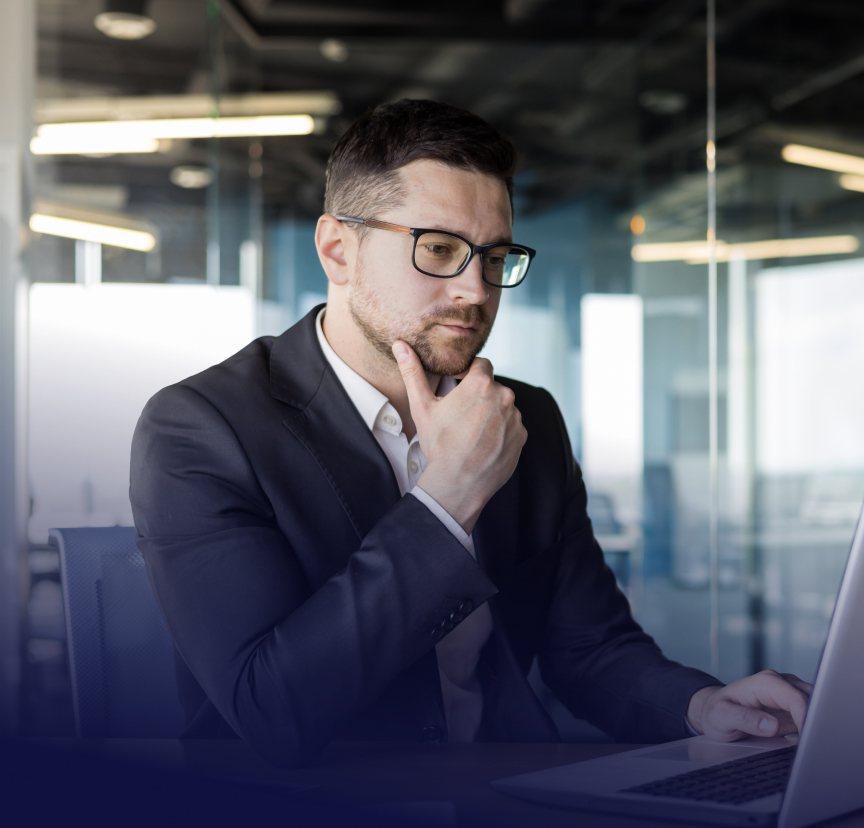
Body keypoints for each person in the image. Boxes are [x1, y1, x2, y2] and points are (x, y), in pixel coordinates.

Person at [130, 99, 811, 768]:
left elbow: (590, 649)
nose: (477, 290)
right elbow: (269, 709)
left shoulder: (523, 417)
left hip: (505, 791)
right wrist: (448, 500)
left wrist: (704, 705)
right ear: (339, 251)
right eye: (439, 249)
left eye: (494, 256)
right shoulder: (203, 428)